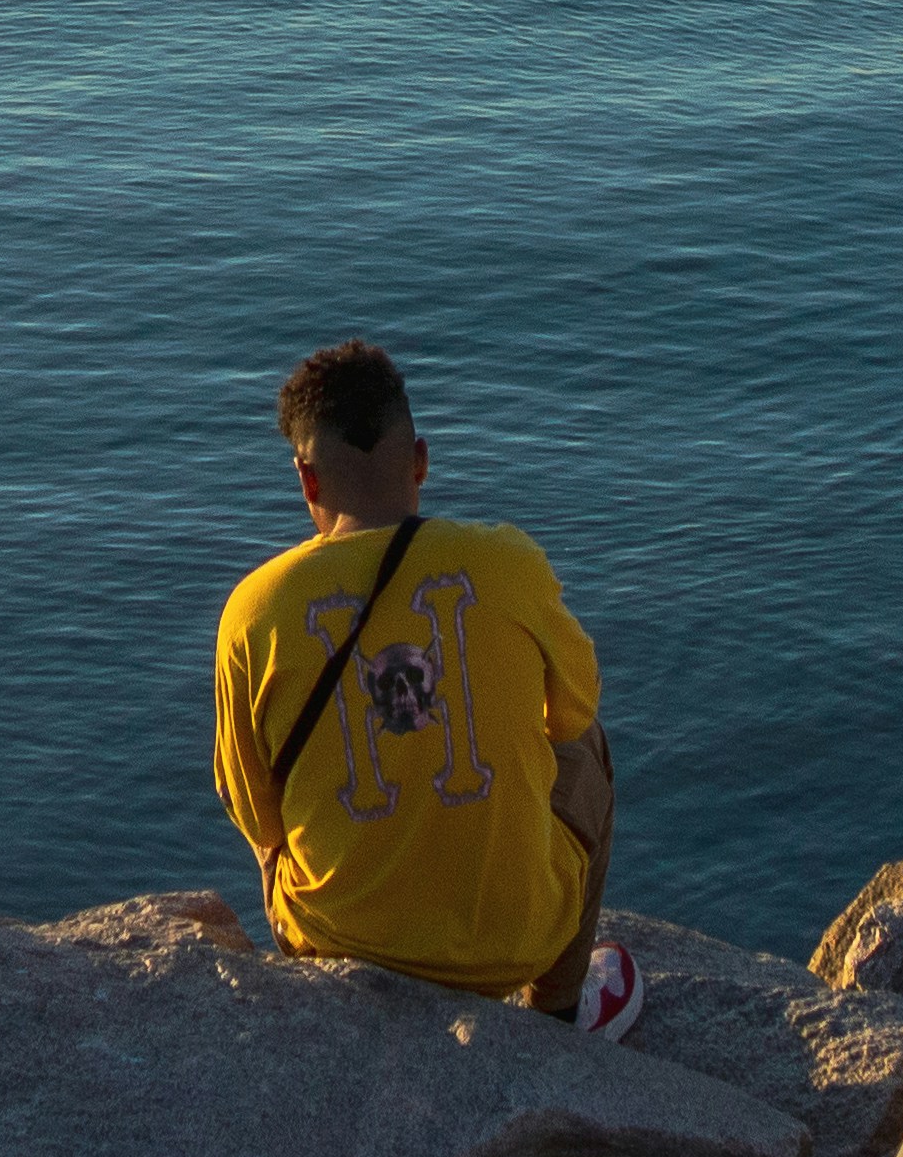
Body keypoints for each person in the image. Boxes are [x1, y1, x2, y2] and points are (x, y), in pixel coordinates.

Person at [211, 338, 640, 1037]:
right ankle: (561, 1011)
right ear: (420, 461)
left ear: (307, 482)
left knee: (274, 823)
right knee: (587, 750)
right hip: (513, 946)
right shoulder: (508, 562)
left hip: (337, 942)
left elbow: (252, 810)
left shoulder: (254, 610)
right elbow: (575, 712)